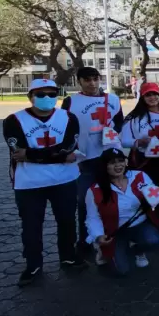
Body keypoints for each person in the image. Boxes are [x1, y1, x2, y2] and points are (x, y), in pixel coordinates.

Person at [3, 79, 85, 286]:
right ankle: (33, 264)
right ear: (30, 96)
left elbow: (68, 146)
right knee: (31, 226)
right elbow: (17, 151)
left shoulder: (68, 117)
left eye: (51, 94)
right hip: (29, 183)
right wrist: (58, 156)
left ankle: (68, 256)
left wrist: (32, 154)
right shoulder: (14, 120)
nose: (47, 98)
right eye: (41, 94)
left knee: (67, 221)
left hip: (64, 179)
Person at [61, 66, 124, 256]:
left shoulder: (112, 99)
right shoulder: (71, 101)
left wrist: (111, 134)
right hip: (86, 159)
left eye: (95, 79)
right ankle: (85, 239)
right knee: (84, 201)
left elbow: (120, 122)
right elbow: (65, 127)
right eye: (87, 79)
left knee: (114, 198)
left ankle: (117, 235)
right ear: (79, 81)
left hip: (110, 158)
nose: (92, 83)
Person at [85, 148, 159, 275]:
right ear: (104, 166)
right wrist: (98, 236)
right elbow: (92, 217)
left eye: (121, 161)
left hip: (140, 225)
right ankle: (103, 249)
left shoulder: (139, 176)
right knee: (122, 271)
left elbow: (154, 195)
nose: (118, 165)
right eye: (112, 163)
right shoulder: (94, 190)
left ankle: (137, 250)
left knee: (153, 240)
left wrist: (154, 200)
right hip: (115, 231)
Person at [121, 81, 159, 246]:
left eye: (155, 94)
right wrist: (137, 142)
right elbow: (123, 140)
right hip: (143, 163)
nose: (152, 98)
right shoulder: (134, 118)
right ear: (142, 97)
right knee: (143, 196)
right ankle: (139, 229)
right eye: (148, 95)